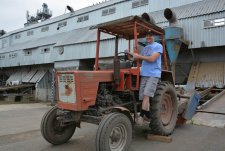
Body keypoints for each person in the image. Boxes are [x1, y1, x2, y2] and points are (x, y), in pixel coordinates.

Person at [133, 31, 163, 125]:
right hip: (144, 73)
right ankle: (149, 116)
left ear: (154, 37)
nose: (148, 37)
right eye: (147, 35)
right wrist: (132, 55)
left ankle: (141, 116)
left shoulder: (158, 46)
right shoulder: (145, 48)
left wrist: (139, 56)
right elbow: (139, 58)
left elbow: (152, 59)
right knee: (142, 96)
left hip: (153, 74)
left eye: (150, 35)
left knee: (146, 94)